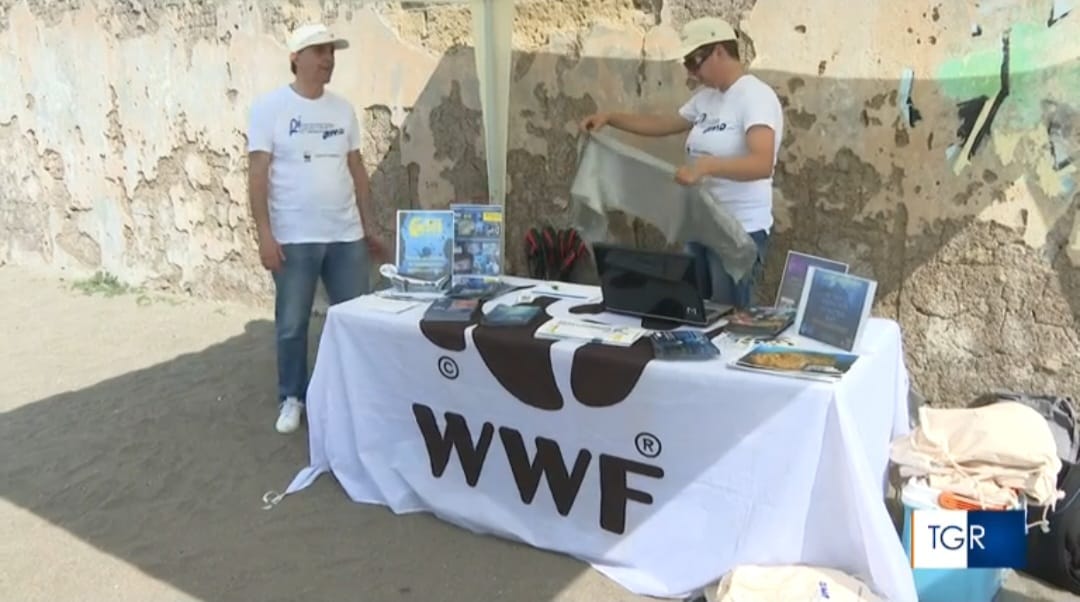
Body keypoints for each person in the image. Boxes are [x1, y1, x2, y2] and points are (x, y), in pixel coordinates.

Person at [579, 17, 783, 308]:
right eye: (686, 63)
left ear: (719, 51)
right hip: (700, 223)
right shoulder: (705, 99)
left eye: (693, 61)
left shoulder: (755, 96)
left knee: (728, 314)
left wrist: (707, 167)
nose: (690, 71)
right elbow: (663, 124)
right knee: (695, 308)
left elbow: (762, 163)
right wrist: (611, 118)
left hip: (737, 230)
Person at [247, 23, 387, 434]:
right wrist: (265, 235)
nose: (328, 59)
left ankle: (354, 393)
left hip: (345, 235)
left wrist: (368, 226)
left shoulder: (343, 110)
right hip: (293, 238)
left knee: (355, 320)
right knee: (292, 324)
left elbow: (357, 170)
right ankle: (292, 397)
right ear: (296, 58)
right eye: (320, 51)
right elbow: (257, 175)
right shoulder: (269, 108)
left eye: (332, 52)